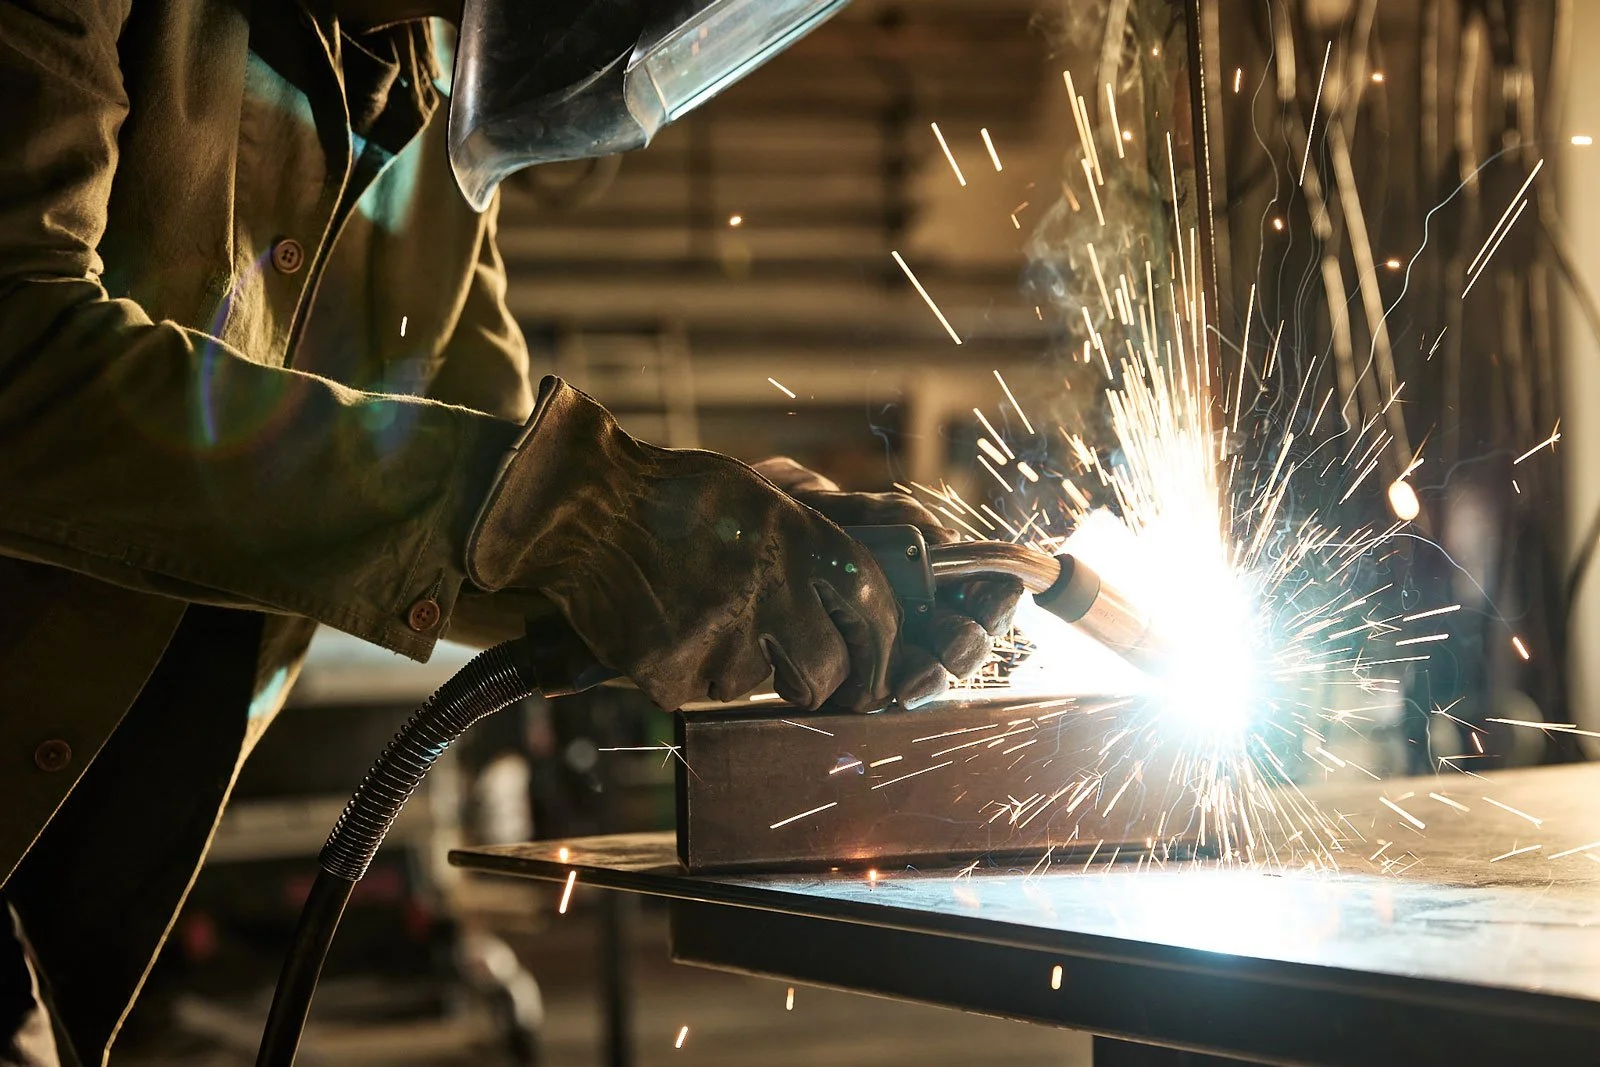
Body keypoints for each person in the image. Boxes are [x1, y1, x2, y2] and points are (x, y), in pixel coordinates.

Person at [0, 0, 1021, 1062]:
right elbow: (18, 358)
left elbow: (499, 477)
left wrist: (736, 542)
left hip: (58, 887)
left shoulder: (430, 84)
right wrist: (582, 516)